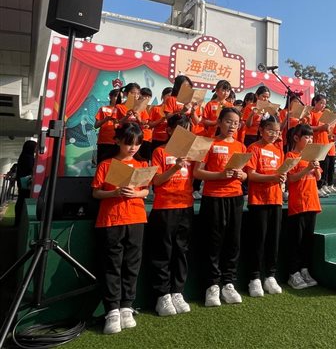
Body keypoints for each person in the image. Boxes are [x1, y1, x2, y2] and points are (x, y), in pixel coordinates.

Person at [91, 123, 150, 335]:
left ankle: (126, 306)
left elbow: (145, 191)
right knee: (112, 265)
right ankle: (112, 310)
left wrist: (135, 194)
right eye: (128, 143)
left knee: (132, 264)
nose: (133, 148)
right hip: (111, 220)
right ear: (117, 141)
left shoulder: (142, 164)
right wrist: (114, 193)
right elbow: (96, 193)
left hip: (136, 217)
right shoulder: (106, 164)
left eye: (137, 143)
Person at [193, 107, 247, 306]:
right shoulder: (207, 143)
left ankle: (228, 283)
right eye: (228, 121)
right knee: (213, 242)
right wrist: (220, 175)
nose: (232, 126)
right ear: (219, 122)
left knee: (233, 242)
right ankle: (212, 285)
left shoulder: (241, 146)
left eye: (236, 123)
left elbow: (245, 174)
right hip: (213, 198)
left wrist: (242, 175)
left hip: (235, 197)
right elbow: (197, 173)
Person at [149, 114, 194, 317]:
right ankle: (162, 295)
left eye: (187, 130)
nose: (184, 134)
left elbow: (197, 176)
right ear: (169, 130)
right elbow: (157, 181)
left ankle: (177, 291)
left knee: (181, 250)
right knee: (163, 251)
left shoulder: (192, 154)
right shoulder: (160, 151)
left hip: (186, 206)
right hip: (165, 207)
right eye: (179, 129)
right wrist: (175, 166)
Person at [244, 116, 286, 297]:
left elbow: (281, 173)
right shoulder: (253, 148)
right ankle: (254, 278)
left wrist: (281, 179)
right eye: (270, 130)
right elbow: (251, 175)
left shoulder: (278, 150)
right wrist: (272, 177)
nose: (273, 134)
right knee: (258, 240)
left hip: (276, 200)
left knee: (273, 240)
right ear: (261, 130)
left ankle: (270, 276)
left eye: (277, 131)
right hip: (258, 200)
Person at [285, 124, 322, 290]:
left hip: (312, 202)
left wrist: (315, 167)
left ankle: (304, 270)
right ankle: (293, 272)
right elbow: (291, 179)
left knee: (308, 240)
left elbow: (318, 177)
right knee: (296, 240)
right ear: (296, 138)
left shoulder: (312, 157)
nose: (310, 140)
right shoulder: (291, 155)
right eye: (306, 137)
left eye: (311, 137)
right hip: (298, 203)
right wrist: (307, 168)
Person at [309, 94, 335, 196]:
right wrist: (320, 128)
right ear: (315, 102)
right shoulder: (311, 113)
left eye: (324, 104)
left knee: (325, 166)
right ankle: (316, 186)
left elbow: (327, 131)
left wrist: (327, 128)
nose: (323, 105)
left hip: (325, 143)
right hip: (316, 143)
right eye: (321, 103)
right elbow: (308, 127)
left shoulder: (324, 115)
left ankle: (321, 186)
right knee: (317, 166)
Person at [14, 140, 37, 226]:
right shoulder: (28, 157)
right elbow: (30, 168)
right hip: (26, 182)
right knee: (23, 200)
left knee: (21, 199)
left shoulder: (24, 156)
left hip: (22, 181)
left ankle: (18, 220)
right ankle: (20, 221)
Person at [94, 88, 120, 164]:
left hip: (118, 142)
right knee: (102, 163)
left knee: (115, 165)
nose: (118, 99)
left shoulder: (122, 110)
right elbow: (96, 125)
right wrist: (106, 119)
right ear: (110, 97)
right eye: (116, 96)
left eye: (120, 97)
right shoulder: (103, 109)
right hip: (104, 141)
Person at [150, 87, 173, 151]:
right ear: (163, 96)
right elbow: (150, 125)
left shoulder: (174, 111)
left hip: (170, 139)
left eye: (172, 97)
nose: (170, 98)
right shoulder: (156, 108)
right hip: (157, 138)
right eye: (168, 95)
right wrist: (162, 119)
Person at [138, 87, 154, 161]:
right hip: (139, 137)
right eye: (145, 96)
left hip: (148, 138)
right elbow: (142, 122)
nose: (147, 98)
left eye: (149, 96)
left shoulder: (151, 107)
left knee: (146, 160)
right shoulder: (137, 107)